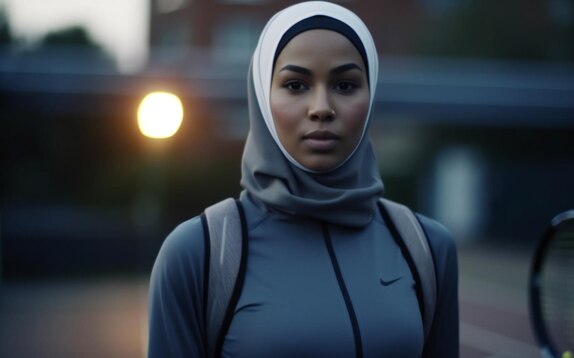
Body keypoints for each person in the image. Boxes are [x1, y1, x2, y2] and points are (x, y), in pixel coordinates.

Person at [147, 1, 459, 357]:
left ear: (371, 96)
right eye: (296, 85)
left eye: (345, 85)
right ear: (263, 98)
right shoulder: (198, 253)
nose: (321, 107)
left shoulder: (427, 248)